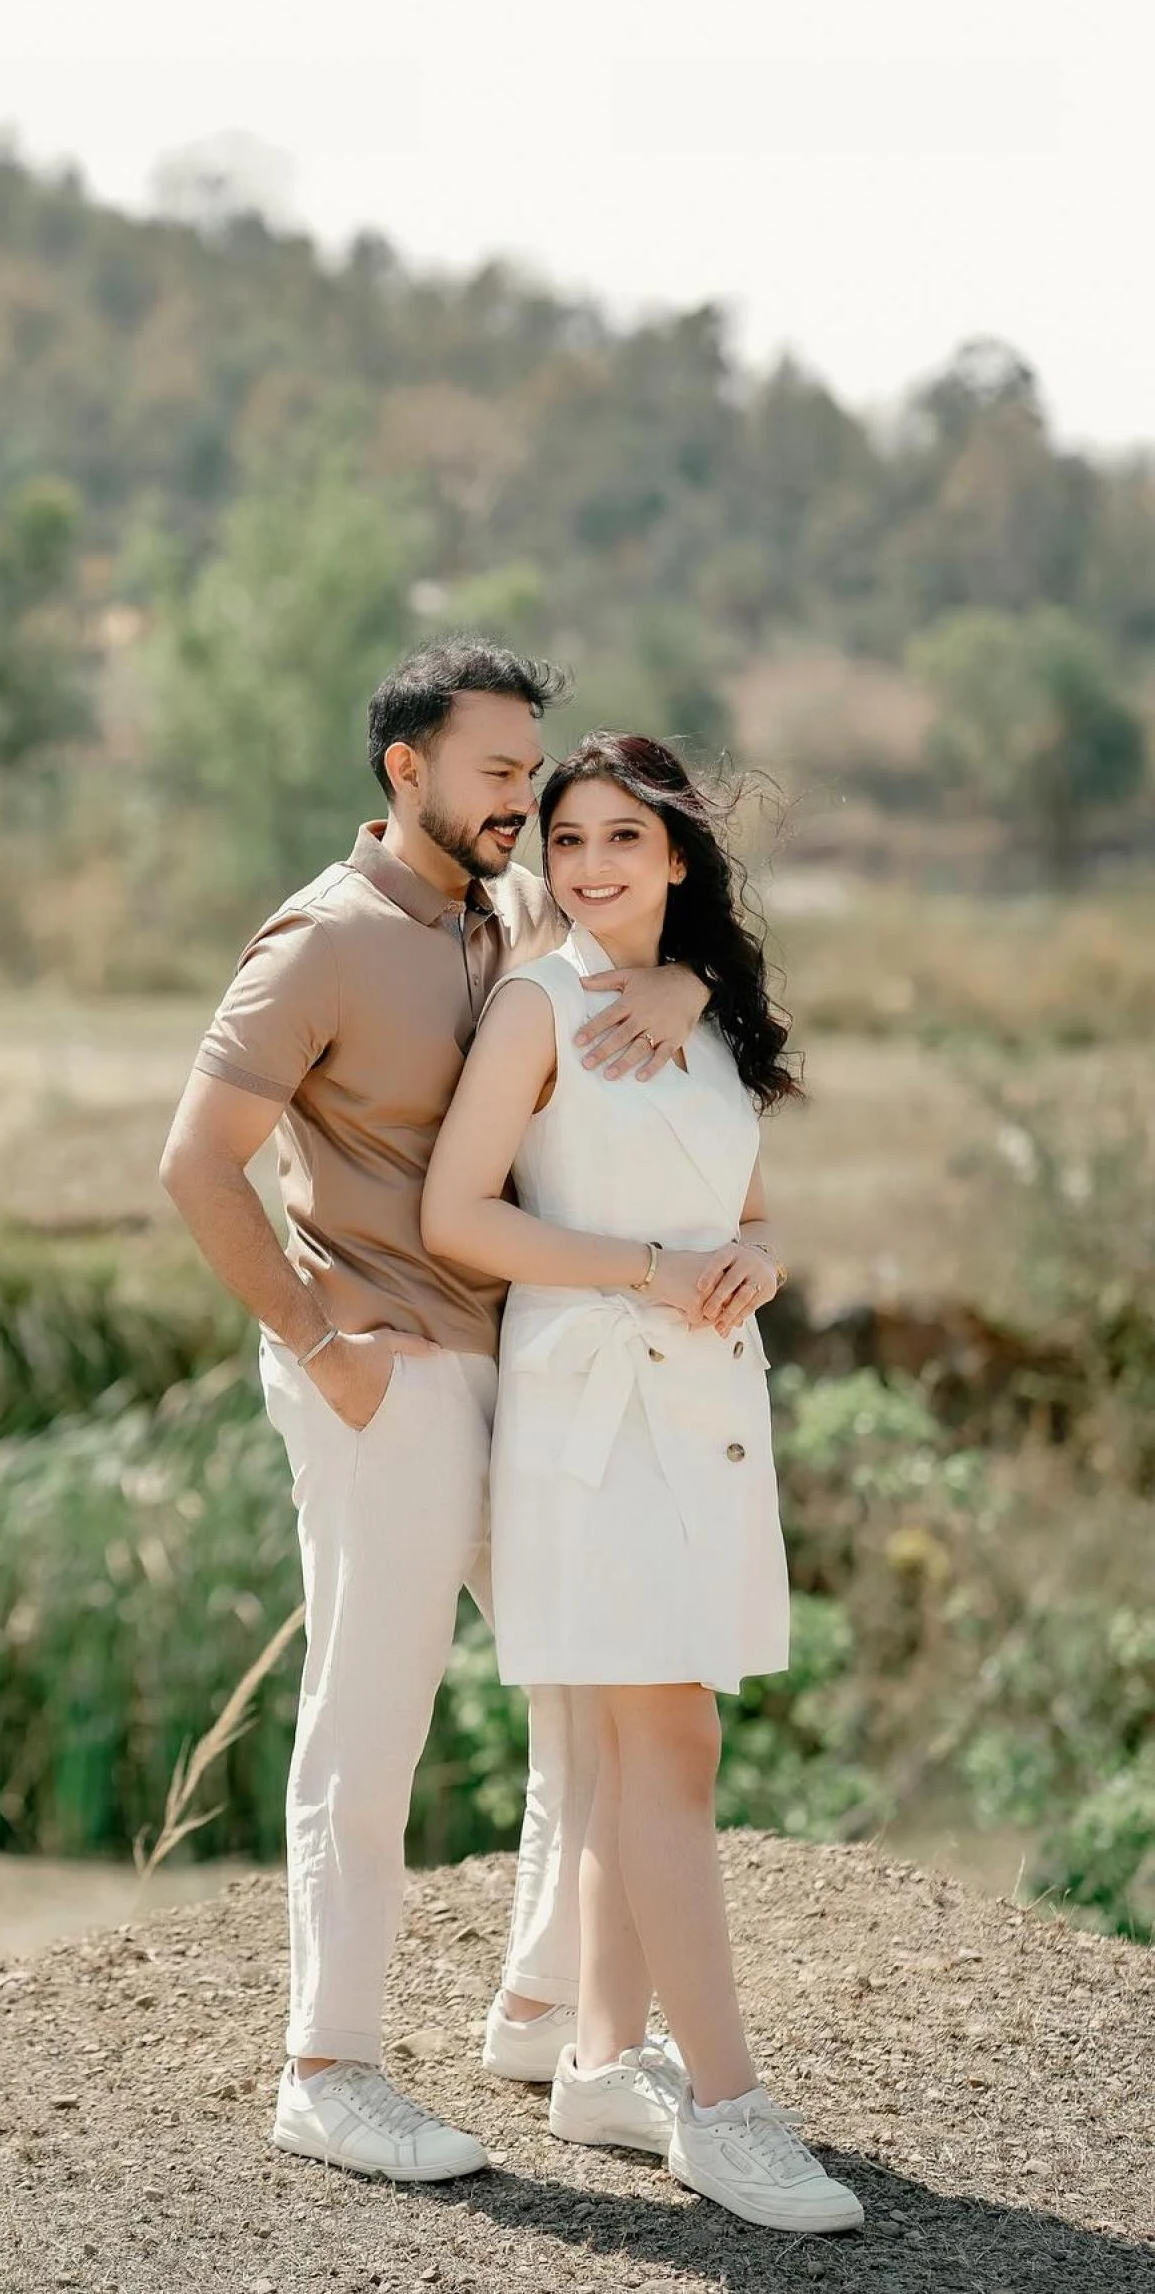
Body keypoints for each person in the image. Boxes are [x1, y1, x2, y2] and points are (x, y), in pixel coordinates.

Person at [159, 642, 708, 2183]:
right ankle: (326, 2071)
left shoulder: (509, 913)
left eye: (532, 769)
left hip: (522, 1363)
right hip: (384, 1370)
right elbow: (196, 1165)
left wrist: (677, 980)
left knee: (588, 1679)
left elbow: (653, 947)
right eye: (497, 770)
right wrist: (316, 1339)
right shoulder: (321, 941)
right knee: (374, 1712)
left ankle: (540, 2011)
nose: (523, 796)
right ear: (407, 770)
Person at [421, 731, 863, 2234]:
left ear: (678, 855)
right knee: (668, 1742)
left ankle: (606, 2062)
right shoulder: (536, 1005)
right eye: (568, 840)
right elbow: (457, 1212)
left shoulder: (713, 1015)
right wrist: (649, 1269)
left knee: (638, 1750)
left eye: (624, 838)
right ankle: (727, 2113)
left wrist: (755, 1260)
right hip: (594, 1421)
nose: (592, 864)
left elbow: (746, 1205)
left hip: (708, 1411)